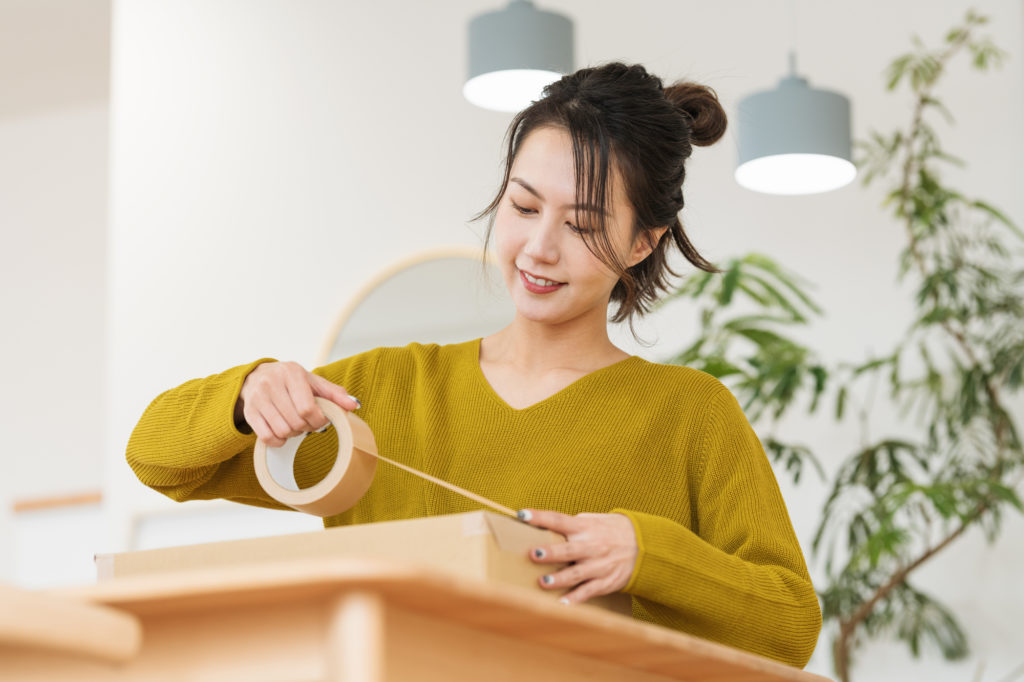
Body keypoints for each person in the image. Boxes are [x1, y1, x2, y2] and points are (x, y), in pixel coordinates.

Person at [127, 62, 822, 668]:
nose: (538, 248)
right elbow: (157, 458)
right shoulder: (381, 392)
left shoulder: (689, 414)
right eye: (523, 206)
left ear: (643, 241)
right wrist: (247, 395)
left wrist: (647, 554)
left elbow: (789, 625)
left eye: (581, 225)